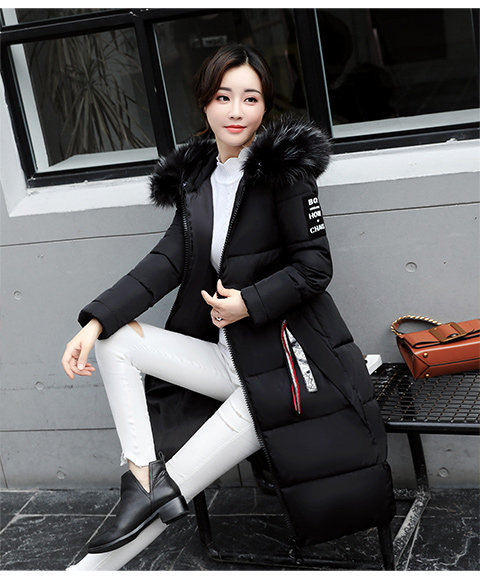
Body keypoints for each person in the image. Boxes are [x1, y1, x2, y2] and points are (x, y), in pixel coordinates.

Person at [62, 43, 395, 571]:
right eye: (224, 97)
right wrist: (95, 321)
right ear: (205, 102)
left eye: (250, 98)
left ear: (265, 106)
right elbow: (165, 262)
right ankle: (139, 472)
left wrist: (248, 302)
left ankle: (82, 575)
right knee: (116, 341)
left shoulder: (284, 172)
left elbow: (315, 266)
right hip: (230, 359)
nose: (236, 111)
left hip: (287, 371)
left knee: (175, 487)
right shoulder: (197, 181)